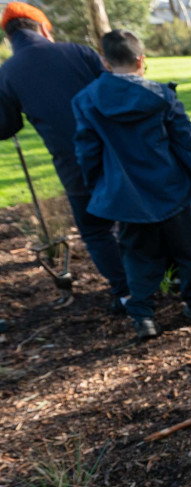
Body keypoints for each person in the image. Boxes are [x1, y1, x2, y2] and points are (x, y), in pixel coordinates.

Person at [72, 29, 191, 340]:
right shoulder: (161, 96)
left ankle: (143, 316)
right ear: (141, 59)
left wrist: (100, 186)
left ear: (104, 62)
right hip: (169, 189)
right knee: (189, 250)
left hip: (126, 195)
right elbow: (188, 143)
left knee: (136, 255)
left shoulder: (86, 101)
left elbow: (87, 152)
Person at [0, 3, 130, 307]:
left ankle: (126, 292)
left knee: (96, 231)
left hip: (74, 165)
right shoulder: (79, 52)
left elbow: (6, 127)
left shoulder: (7, 73)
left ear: (10, 37)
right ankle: (168, 278)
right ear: (44, 29)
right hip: (117, 154)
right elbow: (114, 93)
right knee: (134, 218)